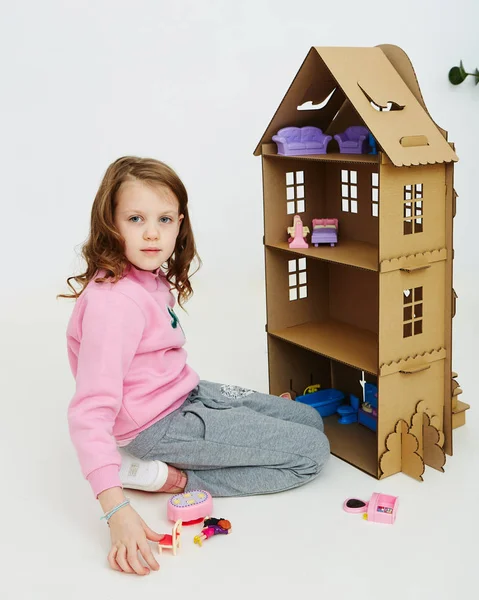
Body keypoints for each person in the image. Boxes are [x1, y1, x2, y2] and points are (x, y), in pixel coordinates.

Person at [60, 156, 330, 576]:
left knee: (309, 418)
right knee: (312, 453)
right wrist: (115, 511)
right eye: (135, 218)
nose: (152, 233)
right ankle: (174, 477)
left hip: (189, 392)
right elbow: (89, 411)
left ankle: (242, 437)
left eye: (164, 219)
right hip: (160, 425)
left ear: (179, 223)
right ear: (111, 224)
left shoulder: (147, 276)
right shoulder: (114, 305)